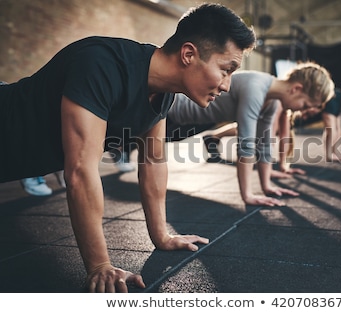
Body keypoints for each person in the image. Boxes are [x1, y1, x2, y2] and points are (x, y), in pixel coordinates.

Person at [0, 3, 256, 292]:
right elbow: (81, 171)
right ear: (188, 54)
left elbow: (153, 162)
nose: (227, 86)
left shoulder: (163, 95)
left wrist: (162, 236)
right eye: (226, 70)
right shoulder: (102, 64)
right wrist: (99, 266)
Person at [166, 62, 335, 207]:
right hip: (170, 114)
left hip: (192, 124)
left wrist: (266, 186)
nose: (302, 111)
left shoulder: (273, 101)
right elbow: (246, 144)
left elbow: (264, 143)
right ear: (297, 88)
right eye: (305, 105)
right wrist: (247, 196)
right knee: (145, 149)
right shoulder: (255, 87)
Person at [276, 75, 341, 172]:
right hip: (290, 116)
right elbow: (330, 129)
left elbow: (338, 129)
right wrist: (329, 155)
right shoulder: (333, 98)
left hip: (292, 120)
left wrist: (335, 152)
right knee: (271, 133)